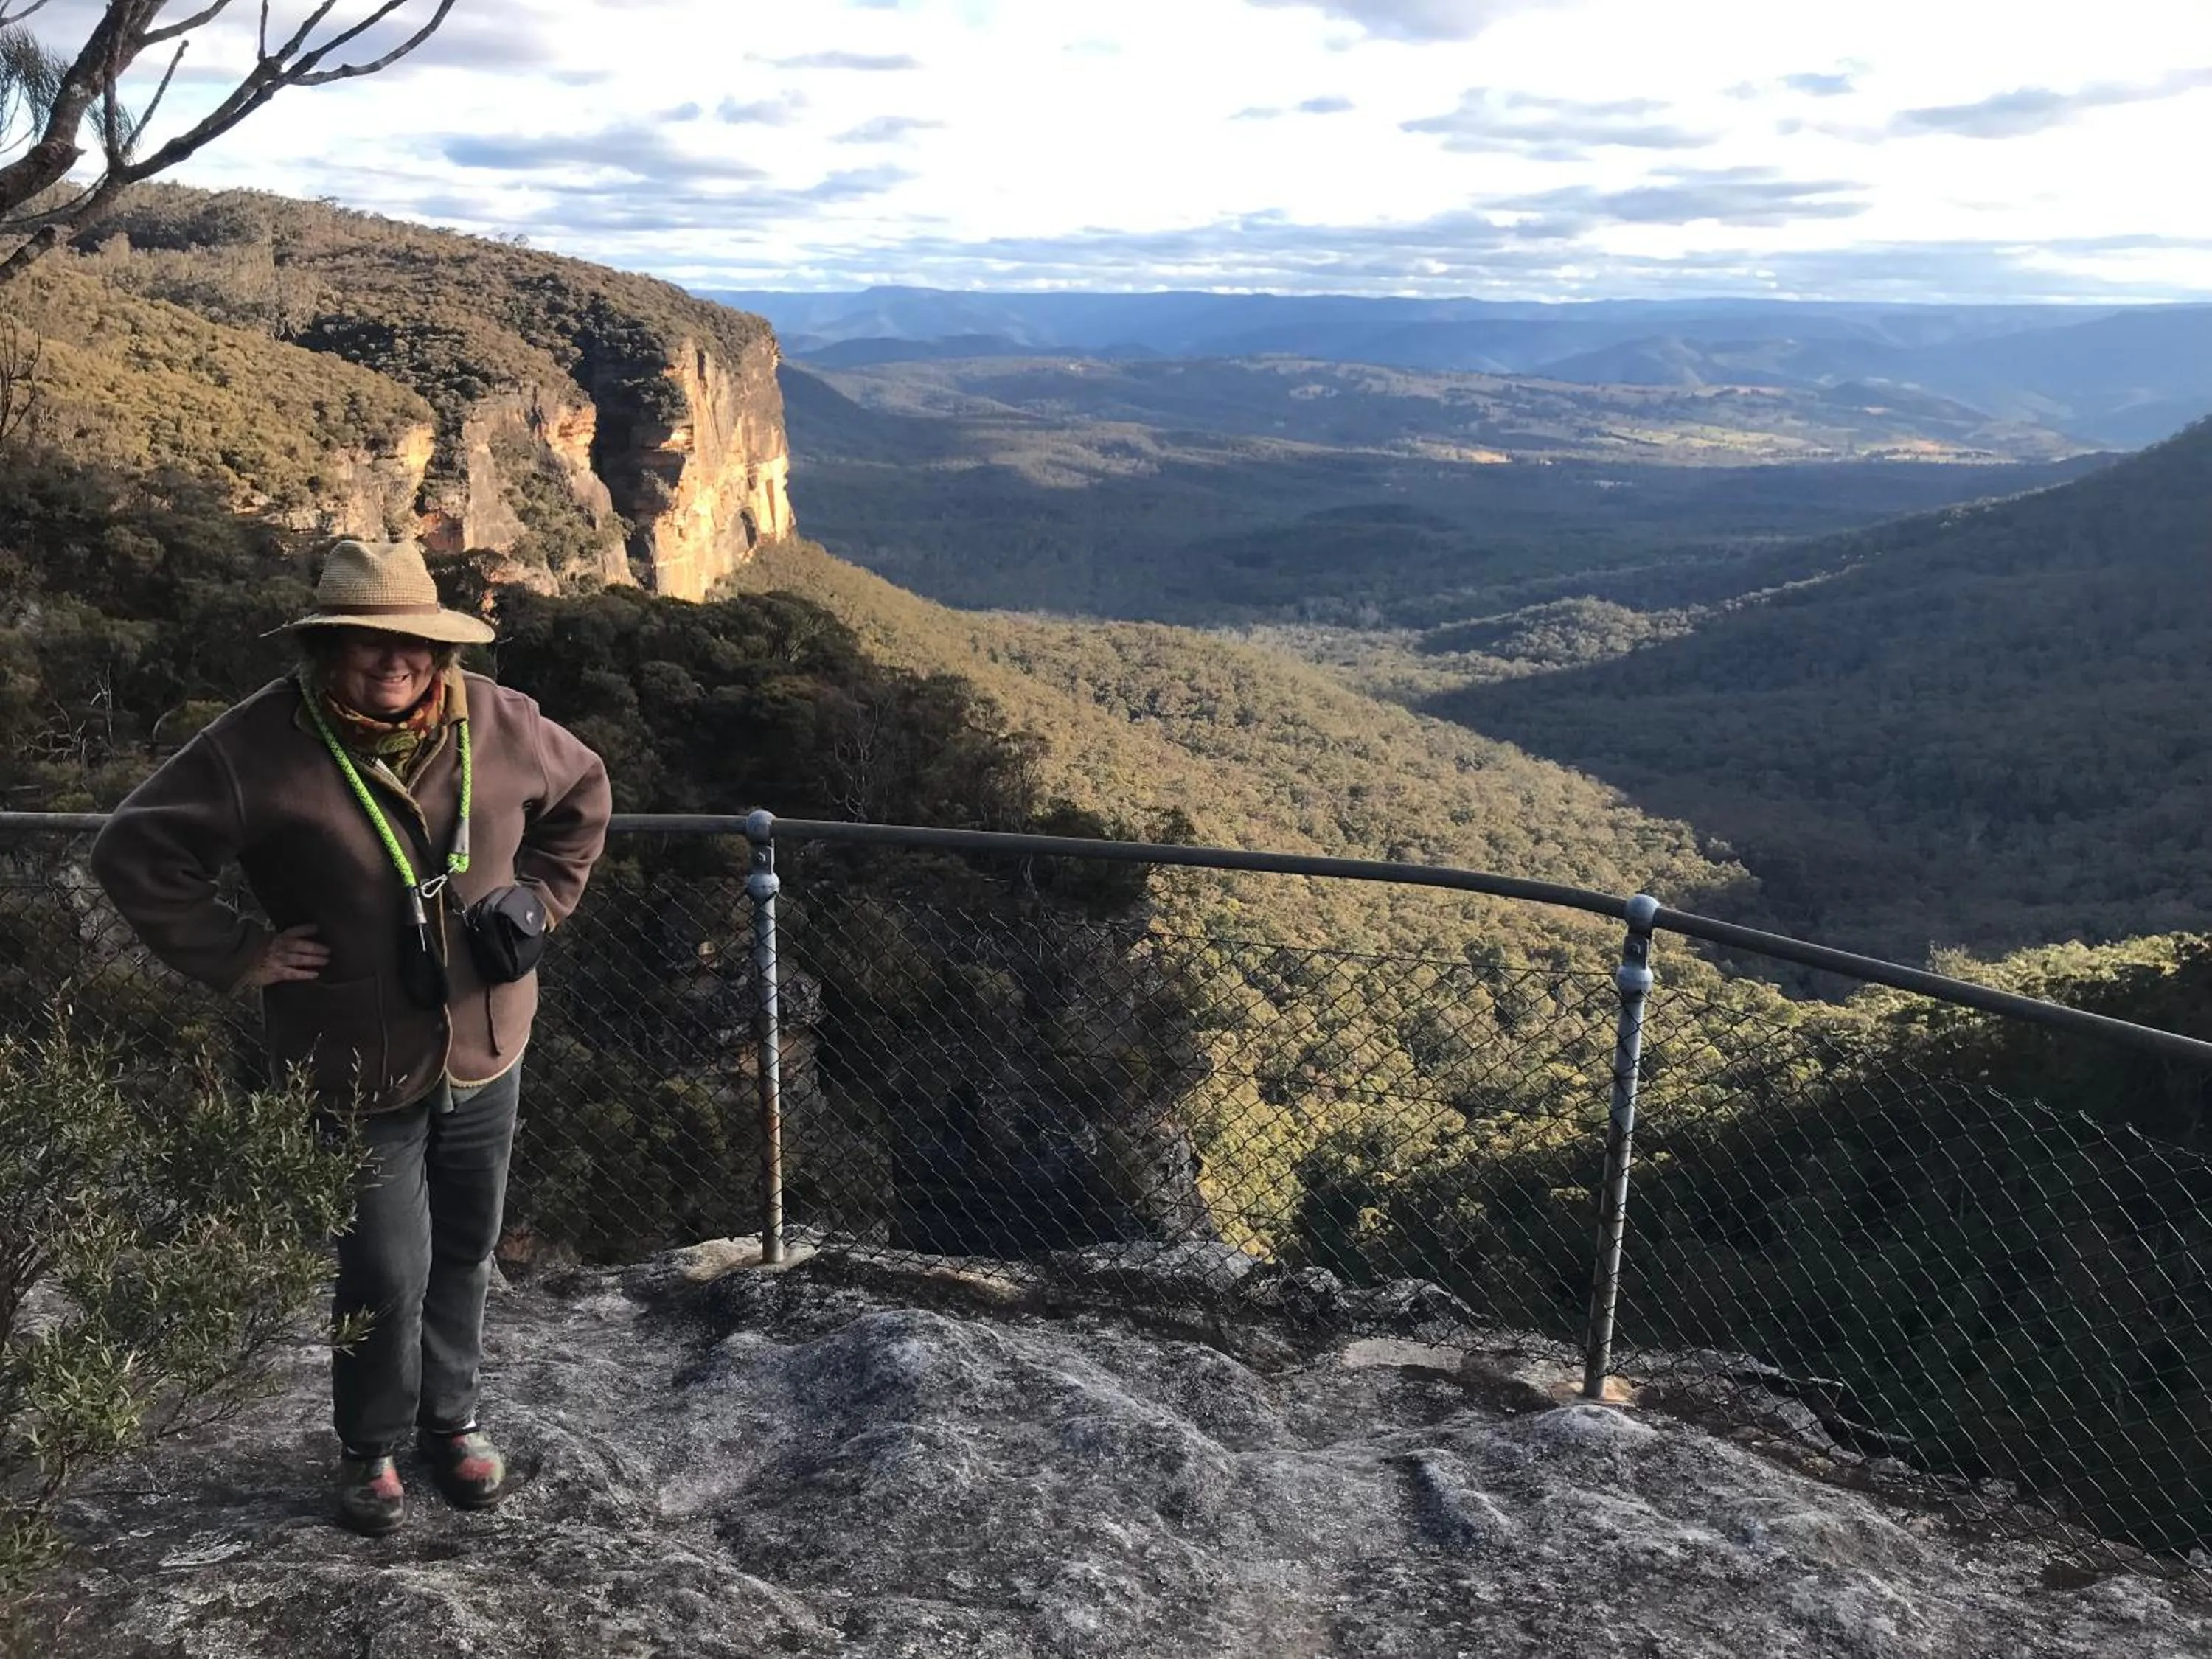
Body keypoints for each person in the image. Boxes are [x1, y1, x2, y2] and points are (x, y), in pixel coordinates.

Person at [90, 538, 612, 1537]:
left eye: (410, 642)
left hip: (485, 1039)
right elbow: (137, 849)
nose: (394, 661)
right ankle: (368, 1444)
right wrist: (239, 950)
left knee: (466, 1243)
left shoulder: (499, 720)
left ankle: (449, 1422)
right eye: (366, 642)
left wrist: (536, 902)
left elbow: (583, 801)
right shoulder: (261, 743)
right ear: (327, 647)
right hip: (349, 1054)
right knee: (382, 1263)